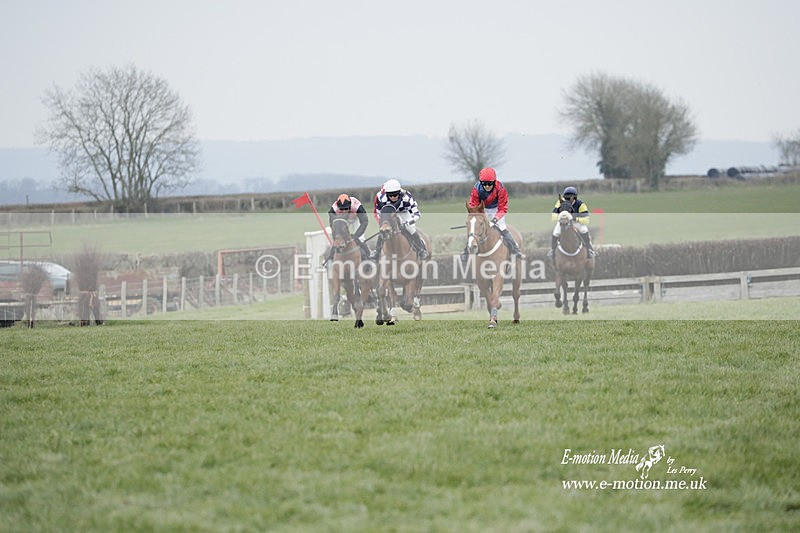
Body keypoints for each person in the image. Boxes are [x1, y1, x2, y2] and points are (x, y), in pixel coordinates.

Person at [461, 167, 526, 261]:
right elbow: (473, 204)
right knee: (474, 228)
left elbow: (503, 208)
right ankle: (466, 251)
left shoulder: (500, 188)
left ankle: (515, 250)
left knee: (502, 228)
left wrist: (495, 220)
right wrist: (475, 216)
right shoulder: (476, 188)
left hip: (497, 209)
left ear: (494, 182)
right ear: (481, 182)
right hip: (482, 209)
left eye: (489, 183)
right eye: (484, 184)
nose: (487, 186)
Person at [370, 178, 429, 261]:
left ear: (399, 192)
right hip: (389, 214)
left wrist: (408, 222)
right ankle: (377, 251)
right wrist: (383, 223)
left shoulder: (407, 197)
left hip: (404, 212)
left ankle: (421, 250)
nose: (393, 197)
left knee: (411, 229)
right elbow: (379, 213)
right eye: (390, 195)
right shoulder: (381, 198)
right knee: (383, 231)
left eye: (395, 194)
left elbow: (417, 214)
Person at [548, 186, 595, 260]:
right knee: (556, 233)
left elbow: (586, 220)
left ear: (574, 198)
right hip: (563, 222)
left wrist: (575, 218)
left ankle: (589, 250)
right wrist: (562, 217)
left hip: (576, 222)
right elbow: (553, 216)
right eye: (566, 197)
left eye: (569, 198)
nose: (567, 200)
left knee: (584, 230)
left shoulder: (581, 204)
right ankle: (553, 251)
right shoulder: (560, 203)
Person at [326, 193, 371, 261]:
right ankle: (330, 259)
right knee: (337, 240)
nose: (344, 211)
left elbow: (364, 221)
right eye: (341, 209)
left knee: (361, 239)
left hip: (356, 219)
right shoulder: (333, 209)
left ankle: (368, 258)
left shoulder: (356, 205)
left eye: (346, 209)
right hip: (342, 221)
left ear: (350, 206)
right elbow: (333, 226)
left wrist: (356, 236)